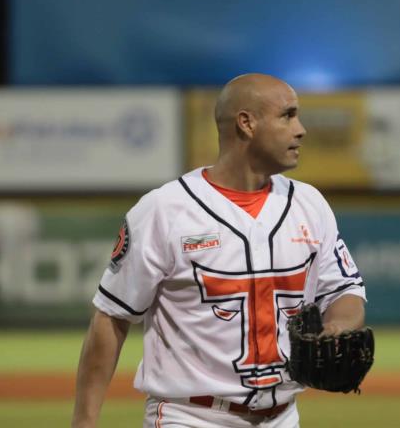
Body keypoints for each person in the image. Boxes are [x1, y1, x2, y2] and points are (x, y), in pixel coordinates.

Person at [72, 73, 367, 428]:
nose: (301, 129)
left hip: (283, 416)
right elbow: (111, 317)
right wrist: (84, 421)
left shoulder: (309, 203)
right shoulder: (165, 210)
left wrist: (337, 325)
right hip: (191, 415)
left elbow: (344, 290)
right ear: (246, 123)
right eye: (287, 115)